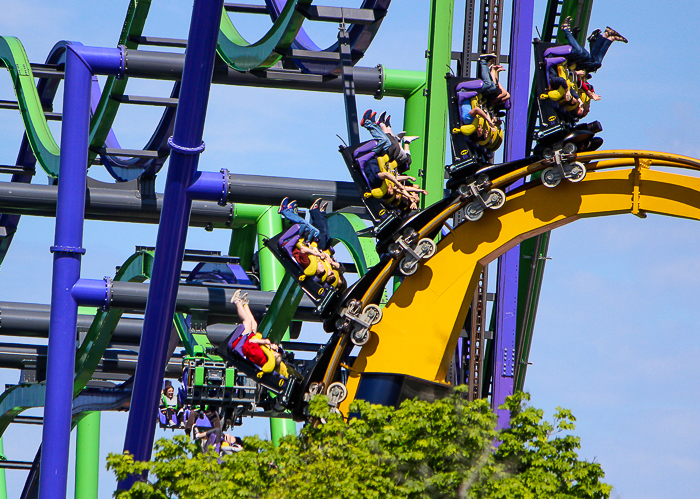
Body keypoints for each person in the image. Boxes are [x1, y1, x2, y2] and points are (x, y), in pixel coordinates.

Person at [560, 16, 627, 72]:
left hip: (577, 63)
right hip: (579, 65)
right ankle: (608, 37)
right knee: (595, 62)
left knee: (591, 59)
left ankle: (607, 36)